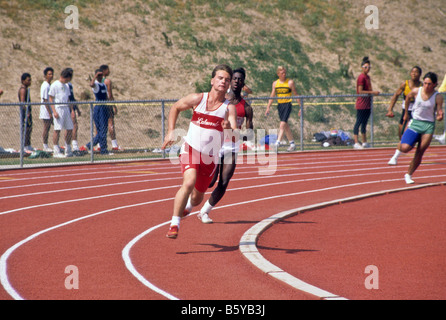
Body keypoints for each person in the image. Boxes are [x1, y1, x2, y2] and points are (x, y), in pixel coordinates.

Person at [162, 64, 238, 239]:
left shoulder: (228, 108)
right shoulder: (198, 99)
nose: (224, 81)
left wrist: (228, 129)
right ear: (212, 80)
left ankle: (188, 207)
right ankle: (174, 224)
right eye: (220, 78)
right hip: (191, 149)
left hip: (210, 157)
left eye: (227, 79)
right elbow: (175, 107)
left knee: (197, 199)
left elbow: (235, 137)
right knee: (188, 183)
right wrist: (171, 131)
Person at [188, 67, 254, 224]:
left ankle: (205, 211)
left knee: (224, 182)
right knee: (210, 182)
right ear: (230, 81)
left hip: (231, 146)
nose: (237, 81)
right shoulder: (221, 98)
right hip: (215, 144)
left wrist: (237, 133)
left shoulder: (246, 107)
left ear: (244, 83)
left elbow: (249, 132)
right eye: (234, 79)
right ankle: (190, 197)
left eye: (240, 79)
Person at [397, 72, 444, 184]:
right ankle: (410, 141)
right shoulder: (416, 91)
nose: (426, 86)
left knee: (420, 151)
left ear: (434, 85)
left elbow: (439, 111)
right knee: (404, 148)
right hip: (415, 123)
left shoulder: (437, 97)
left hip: (428, 126)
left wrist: (440, 116)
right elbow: (407, 98)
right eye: (425, 83)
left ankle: (408, 174)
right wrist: (406, 114)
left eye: (429, 84)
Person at [387, 66, 422, 165]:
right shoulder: (404, 84)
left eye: (416, 72)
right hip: (405, 112)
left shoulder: (421, 86)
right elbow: (395, 96)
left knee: (406, 135)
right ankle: (402, 150)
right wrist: (390, 109)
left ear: (420, 74)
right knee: (401, 135)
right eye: (412, 72)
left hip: (415, 113)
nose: (414, 73)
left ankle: (395, 157)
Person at [265, 66, 299, 152]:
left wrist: (300, 106)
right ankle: (292, 144)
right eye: (282, 73)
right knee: (286, 126)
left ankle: (277, 143)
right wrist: (268, 107)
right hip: (280, 105)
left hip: (287, 104)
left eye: (285, 73)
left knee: (282, 125)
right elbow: (272, 96)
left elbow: (296, 94)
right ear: (278, 74)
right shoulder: (275, 83)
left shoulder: (290, 83)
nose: (284, 74)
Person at [353, 57, 380, 149]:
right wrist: (373, 93)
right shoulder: (361, 77)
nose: (367, 69)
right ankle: (356, 142)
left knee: (364, 123)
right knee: (359, 122)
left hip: (367, 104)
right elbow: (360, 91)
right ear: (362, 67)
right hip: (361, 103)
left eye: (369, 67)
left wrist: (372, 93)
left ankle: (364, 142)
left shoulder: (368, 77)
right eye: (365, 67)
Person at [84, 69, 112, 155]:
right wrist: (95, 77)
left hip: (104, 107)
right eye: (98, 75)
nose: (100, 77)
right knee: (101, 130)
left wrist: (110, 107)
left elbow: (107, 97)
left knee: (103, 130)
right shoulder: (96, 84)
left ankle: (89, 146)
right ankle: (103, 150)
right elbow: (91, 84)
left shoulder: (103, 85)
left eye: (101, 75)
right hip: (99, 107)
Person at [49, 68, 74, 158]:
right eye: (67, 78)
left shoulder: (66, 86)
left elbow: (68, 98)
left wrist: (72, 110)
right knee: (57, 129)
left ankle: (68, 149)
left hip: (66, 108)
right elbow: (50, 98)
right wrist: (54, 111)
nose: (68, 80)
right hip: (58, 108)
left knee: (70, 128)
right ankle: (56, 150)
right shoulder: (55, 85)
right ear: (64, 77)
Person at [99, 64, 121, 151]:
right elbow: (110, 94)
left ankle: (99, 145)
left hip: (99, 104)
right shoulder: (107, 81)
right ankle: (114, 144)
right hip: (107, 104)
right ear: (104, 71)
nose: (109, 71)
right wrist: (113, 105)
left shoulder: (98, 81)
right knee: (110, 123)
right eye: (108, 70)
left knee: (99, 125)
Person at [66, 69, 81, 152]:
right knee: (71, 126)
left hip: (72, 107)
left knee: (74, 126)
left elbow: (72, 98)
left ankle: (73, 145)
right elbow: (67, 99)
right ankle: (72, 146)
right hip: (68, 108)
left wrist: (77, 109)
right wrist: (72, 110)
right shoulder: (65, 85)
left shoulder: (70, 85)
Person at [39, 67, 54, 152]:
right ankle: (45, 145)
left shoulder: (49, 85)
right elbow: (45, 100)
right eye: (49, 74)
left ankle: (47, 145)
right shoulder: (45, 86)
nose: (51, 76)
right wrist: (49, 112)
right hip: (46, 110)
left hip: (49, 110)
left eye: (52, 74)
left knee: (48, 128)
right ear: (45, 75)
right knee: (46, 127)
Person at [18, 73, 34, 152]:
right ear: (23, 81)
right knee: (26, 129)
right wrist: (26, 111)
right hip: (25, 113)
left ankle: (28, 144)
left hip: (28, 112)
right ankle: (24, 146)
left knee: (29, 128)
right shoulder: (23, 89)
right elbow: (23, 101)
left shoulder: (27, 89)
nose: (30, 82)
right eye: (28, 80)